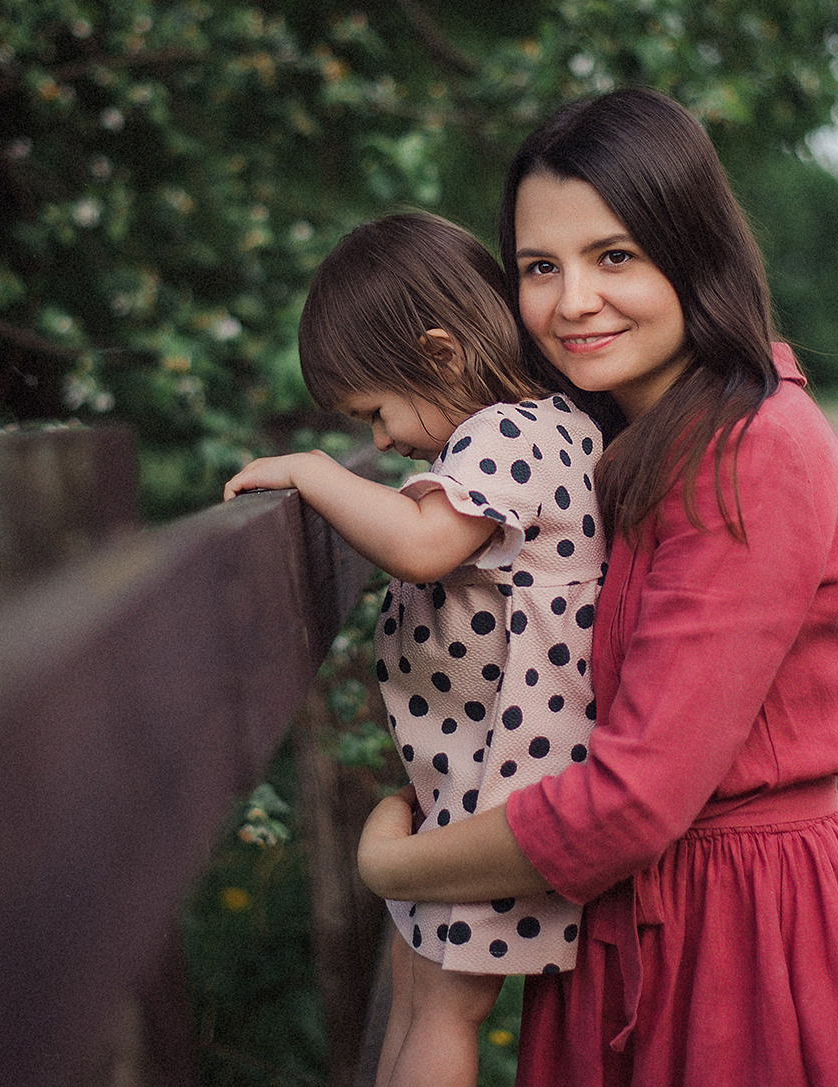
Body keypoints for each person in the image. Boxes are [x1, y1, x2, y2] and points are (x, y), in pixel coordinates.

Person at [354, 89, 838, 1085]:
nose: (570, 303)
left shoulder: (750, 452)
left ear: (692, 252)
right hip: (641, 928)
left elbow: (634, 800)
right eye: (537, 268)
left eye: (615, 256)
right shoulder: (619, 445)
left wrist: (393, 867)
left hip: (742, 944)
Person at [224, 210, 609, 1087]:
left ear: (439, 354)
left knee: (444, 1006)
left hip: (507, 786)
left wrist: (315, 470)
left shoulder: (511, 435)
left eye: (376, 413)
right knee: (414, 982)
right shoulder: (532, 428)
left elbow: (419, 545)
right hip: (476, 778)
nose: (385, 441)